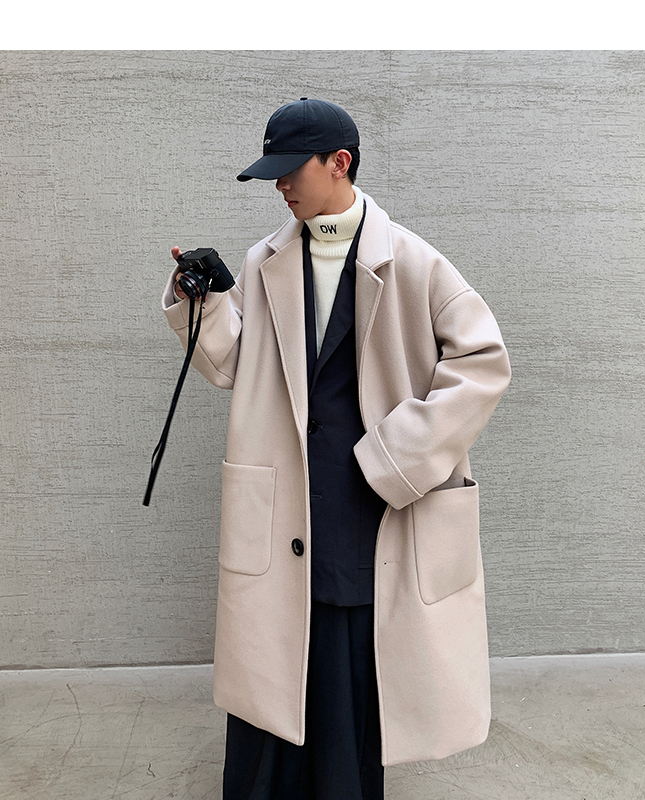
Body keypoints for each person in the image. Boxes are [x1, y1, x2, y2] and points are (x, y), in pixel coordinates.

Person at [162, 98, 511, 799]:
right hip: (285, 489)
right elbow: (230, 365)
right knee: (275, 649)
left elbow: (483, 363)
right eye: (273, 173)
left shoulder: (413, 261)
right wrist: (200, 300)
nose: (281, 185)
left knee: (349, 645)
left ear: (339, 163)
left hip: (369, 496)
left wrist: (401, 455)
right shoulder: (265, 261)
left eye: (292, 169)